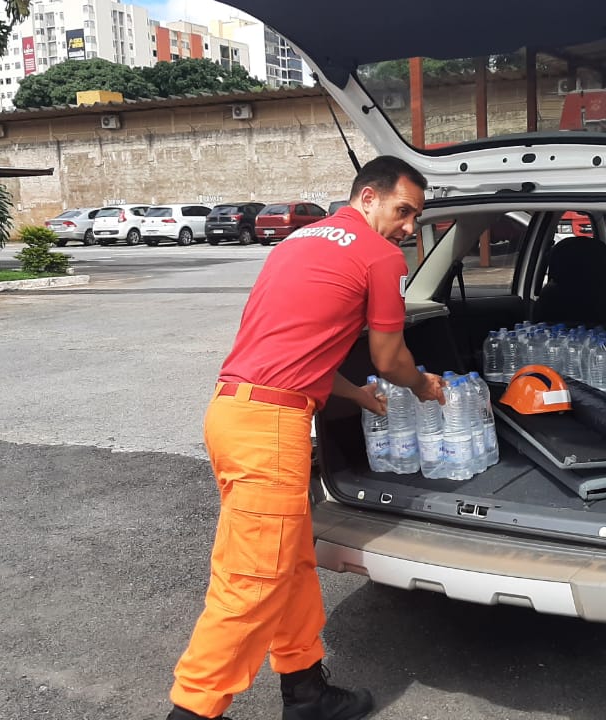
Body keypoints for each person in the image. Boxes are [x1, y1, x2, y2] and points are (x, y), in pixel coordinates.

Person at [166, 156, 447, 720]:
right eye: (404, 211)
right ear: (368, 198)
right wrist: (421, 384)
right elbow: (390, 358)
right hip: (270, 429)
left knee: (288, 561)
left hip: (232, 413)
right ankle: (191, 712)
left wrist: (358, 397)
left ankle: (306, 692)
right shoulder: (380, 256)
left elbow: (298, 350)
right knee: (250, 582)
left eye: (417, 216)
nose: (410, 227)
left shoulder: (298, 242)